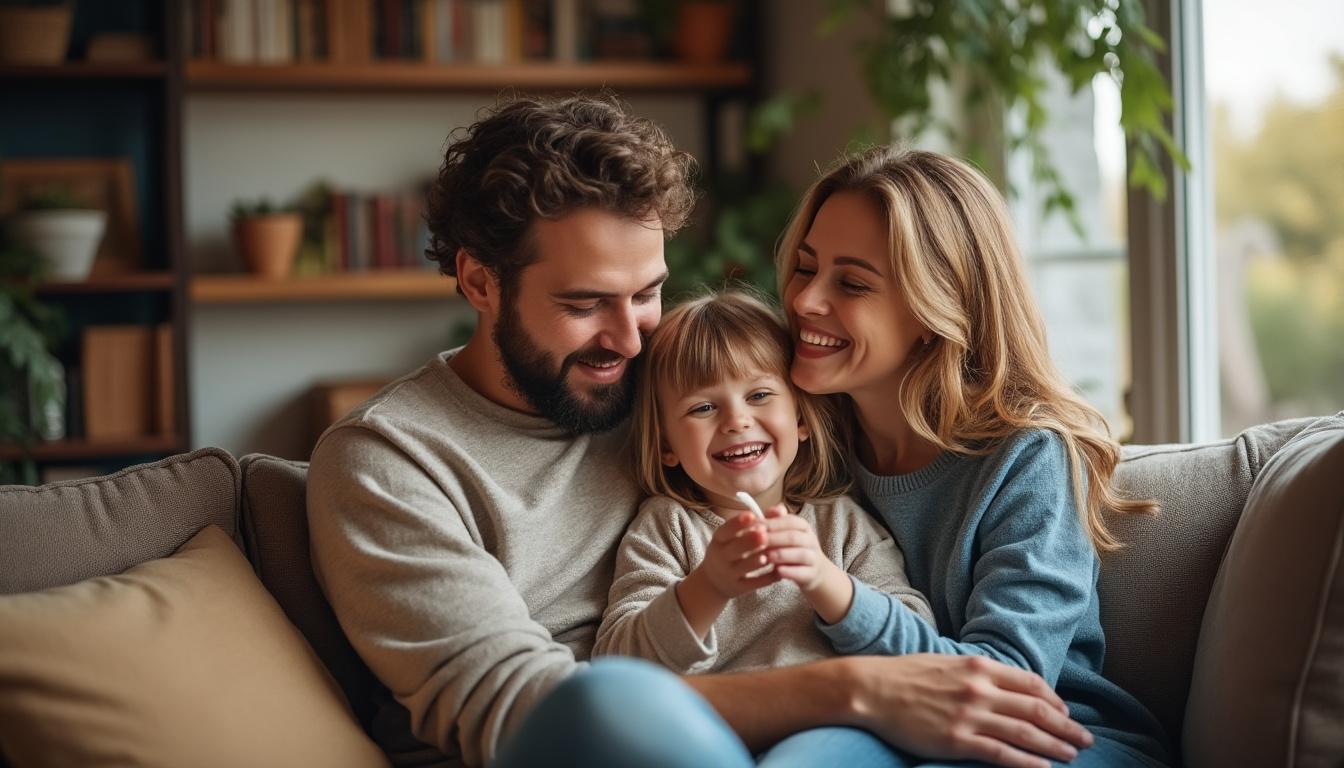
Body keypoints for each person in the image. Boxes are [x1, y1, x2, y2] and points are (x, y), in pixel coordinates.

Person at [306, 95, 1094, 768]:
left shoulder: (668, 389)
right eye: (585, 304)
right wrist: (849, 690)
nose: (630, 339)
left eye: (647, 293)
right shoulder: (389, 461)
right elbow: (525, 713)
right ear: (480, 281)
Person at [774, 145, 1172, 767]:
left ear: (936, 309)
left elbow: (1005, 682)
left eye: (851, 283)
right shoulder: (797, 440)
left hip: (1053, 739)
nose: (803, 301)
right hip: (879, 725)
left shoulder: (1027, 458)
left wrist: (846, 607)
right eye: (805, 268)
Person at [594, 290, 934, 765]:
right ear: (666, 444)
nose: (737, 421)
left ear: (800, 418)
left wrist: (824, 580)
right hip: (711, 736)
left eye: (758, 396)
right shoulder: (667, 527)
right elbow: (615, 667)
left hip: (833, 734)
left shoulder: (840, 523)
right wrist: (708, 587)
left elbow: (918, 642)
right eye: (702, 408)